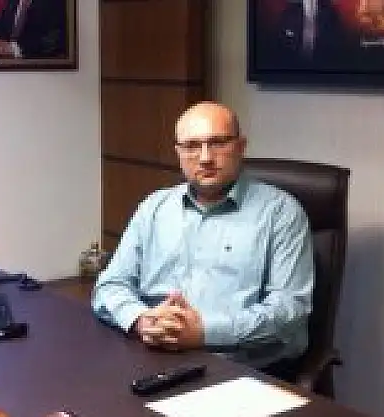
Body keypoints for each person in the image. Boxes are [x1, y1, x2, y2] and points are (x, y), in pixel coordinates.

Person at [91, 102, 315, 380]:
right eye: (192, 146)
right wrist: (141, 319)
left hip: (240, 370)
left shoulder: (281, 213)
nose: (206, 157)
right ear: (178, 153)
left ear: (241, 147)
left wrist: (204, 332)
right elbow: (110, 285)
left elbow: (289, 310)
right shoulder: (155, 207)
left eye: (218, 143)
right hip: (152, 357)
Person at [0, 0, 68, 59]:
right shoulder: (12, 2)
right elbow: (1, 29)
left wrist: (16, 49)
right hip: (8, 65)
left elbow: (55, 39)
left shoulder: (54, 2)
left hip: (39, 66)